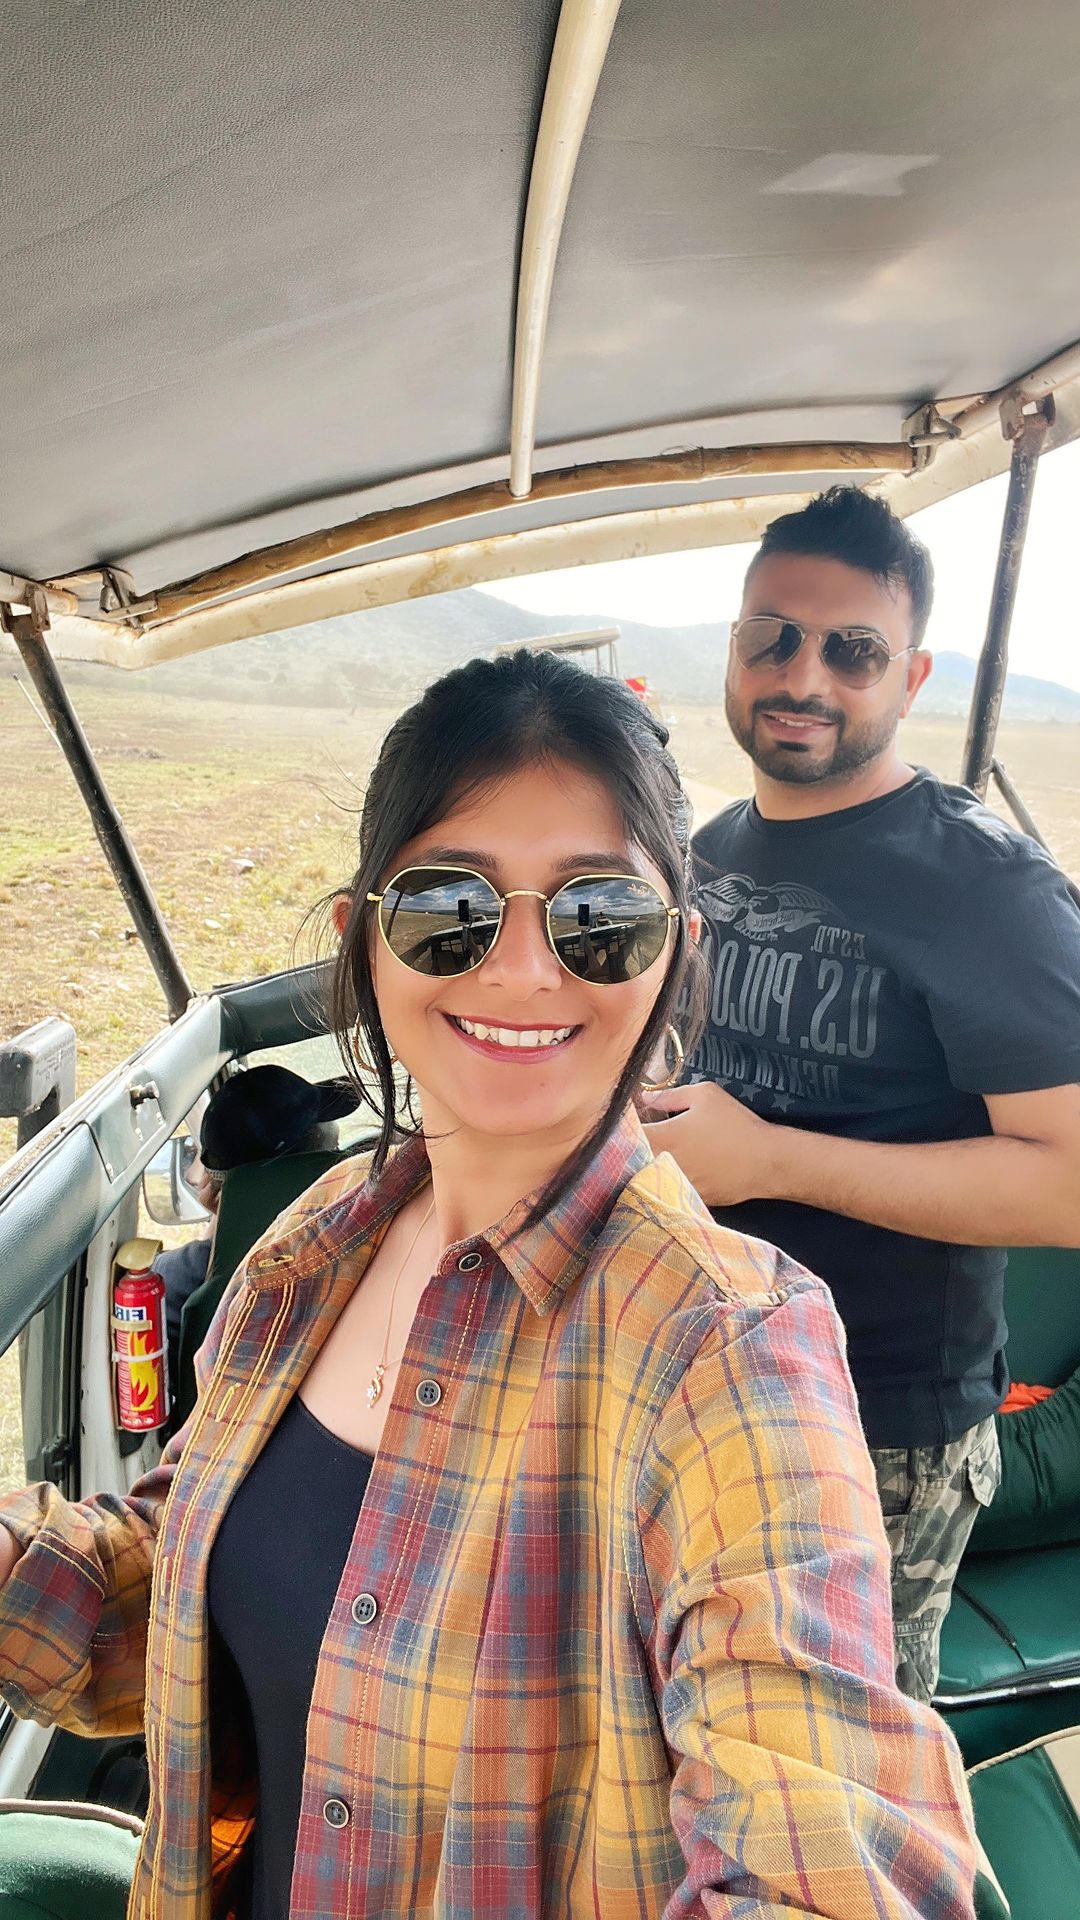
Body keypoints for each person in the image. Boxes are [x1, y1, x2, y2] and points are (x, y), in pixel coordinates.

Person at [0, 650, 976, 1919]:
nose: (521, 971)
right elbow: (175, 1589)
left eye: (598, 917)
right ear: (363, 941)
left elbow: (829, 1841)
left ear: (674, 956)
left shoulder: (731, 1353)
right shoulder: (314, 1247)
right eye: (449, 908)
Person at [643, 485, 1080, 1703]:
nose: (804, 677)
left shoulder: (986, 887)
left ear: (912, 676)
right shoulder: (713, 850)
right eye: (774, 637)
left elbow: (1069, 1183)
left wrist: (773, 1160)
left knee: (838, 1763)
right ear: (733, 647)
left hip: (876, 1422)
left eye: (853, 650)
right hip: (700, 1369)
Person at [154, 1064, 360, 1386]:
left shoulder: (173, 1280)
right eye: (334, 1154)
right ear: (309, 1173)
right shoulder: (364, 1252)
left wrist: (224, 1218)